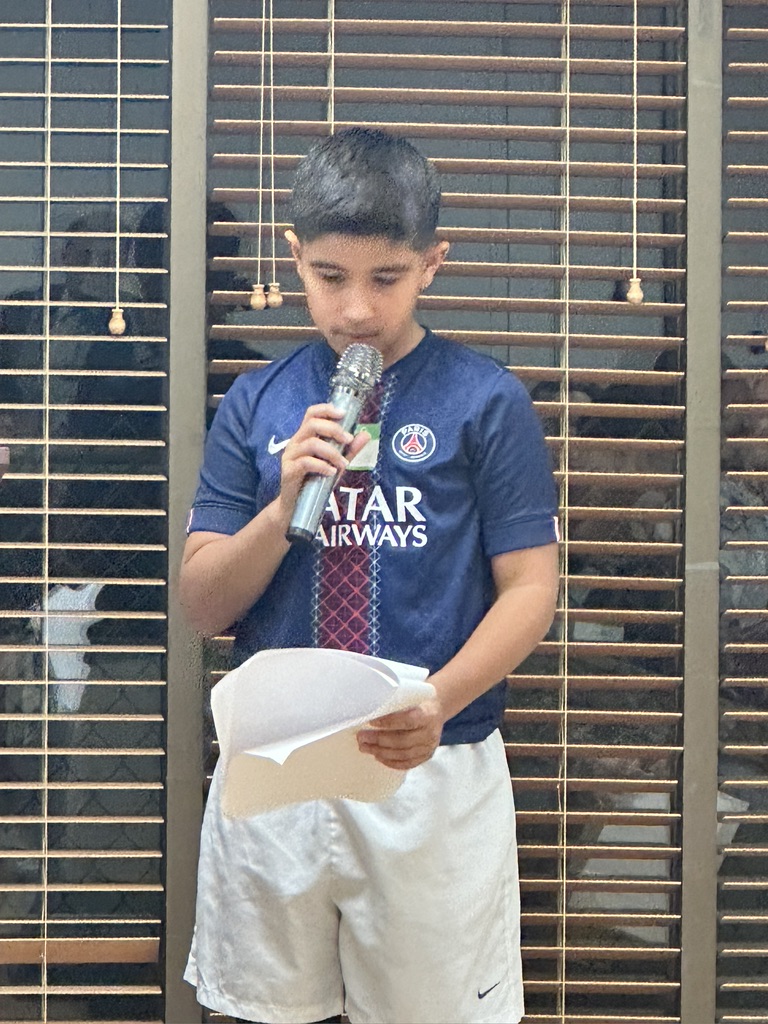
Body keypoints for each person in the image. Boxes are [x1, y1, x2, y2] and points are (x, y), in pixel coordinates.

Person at [181, 127, 560, 1024]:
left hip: (432, 761)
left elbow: (532, 589)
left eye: (386, 279)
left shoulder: (486, 400)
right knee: (268, 1012)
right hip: (276, 768)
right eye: (329, 276)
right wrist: (282, 507)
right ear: (293, 259)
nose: (356, 310)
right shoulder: (258, 400)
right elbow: (202, 604)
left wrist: (437, 700)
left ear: (433, 263)